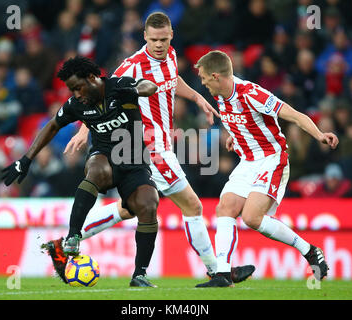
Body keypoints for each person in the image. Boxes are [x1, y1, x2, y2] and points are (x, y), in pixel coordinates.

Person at [63, 12, 254, 284]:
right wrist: (84, 129)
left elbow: (173, 80)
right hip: (147, 148)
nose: (159, 45)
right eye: (153, 40)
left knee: (129, 208)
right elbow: (99, 95)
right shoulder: (132, 66)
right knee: (192, 206)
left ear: (171, 35)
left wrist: (198, 97)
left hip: (162, 146)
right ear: (144, 37)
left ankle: (68, 241)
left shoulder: (171, 55)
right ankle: (218, 271)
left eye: (163, 39)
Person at [1, 55, 161, 287]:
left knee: (149, 204)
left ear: (92, 78)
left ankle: (139, 275)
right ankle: (73, 236)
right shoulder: (76, 105)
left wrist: (142, 89)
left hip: (134, 161)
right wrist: (26, 159)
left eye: (78, 88)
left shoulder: (119, 87)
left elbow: (147, 86)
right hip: (103, 157)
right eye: (71, 90)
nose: (76, 94)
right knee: (96, 170)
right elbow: (53, 125)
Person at [193, 50, 339, 287]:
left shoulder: (252, 93)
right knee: (225, 207)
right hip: (248, 161)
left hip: (272, 159)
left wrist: (319, 135)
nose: (202, 82)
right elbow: (242, 122)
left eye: (204, 78)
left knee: (252, 217)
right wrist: (236, 137)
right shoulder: (221, 96)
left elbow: (293, 115)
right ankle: (222, 274)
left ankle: (310, 251)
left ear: (216, 76)